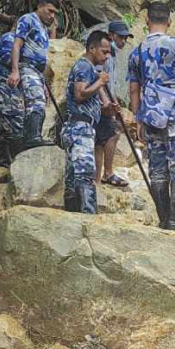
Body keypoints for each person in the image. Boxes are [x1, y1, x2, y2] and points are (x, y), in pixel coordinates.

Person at [128, 1, 175, 233]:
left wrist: (137, 118)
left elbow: (134, 90)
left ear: (147, 21)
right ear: (169, 23)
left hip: (150, 117)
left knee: (158, 168)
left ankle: (164, 220)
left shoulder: (137, 51)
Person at [62, 30, 112, 214]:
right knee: (84, 174)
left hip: (77, 126)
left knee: (72, 176)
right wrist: (99, 82)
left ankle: (72, 215)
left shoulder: (90, 69)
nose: (107, 56)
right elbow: (80, 94)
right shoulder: (84, 66)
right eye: (104, 51)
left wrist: (107, 105)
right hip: (80, 127)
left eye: (109, 52)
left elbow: (95, 99)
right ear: (92, 48)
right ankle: (87, 218)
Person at [8, 0, 59, 150]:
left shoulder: (43, 27)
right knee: (35, 100)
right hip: (26, 66)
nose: (52, 16)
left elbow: (42, 55)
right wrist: (15, 70)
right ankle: (32, 138)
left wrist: (43, 82)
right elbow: (16, 45)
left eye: (55, 13)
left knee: (39, 100)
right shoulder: (28, 19)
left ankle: (32, 136)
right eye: (50, 11)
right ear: (40, 6)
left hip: (36, 71)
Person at [95, 20, 133, 187]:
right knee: (113, 134)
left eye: (125, 38)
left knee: (100, 140)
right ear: (111, 35)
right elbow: (98, 79)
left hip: (108, 101)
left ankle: (98, 177)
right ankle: (107, 173)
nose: (123, 41)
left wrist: (116, 102)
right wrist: (106, 102)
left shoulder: (112, 54)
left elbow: (111, 83)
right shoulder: (105, 55)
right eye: (120, 37)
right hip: (100, 103)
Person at [0, 24, 25, 167]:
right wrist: (29, 64)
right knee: (16, 123)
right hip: (3, 86)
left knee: (2, 127)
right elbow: (7, 59)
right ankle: (20, 166)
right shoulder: (10, 38)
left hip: (2, 87)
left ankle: (3, 164)